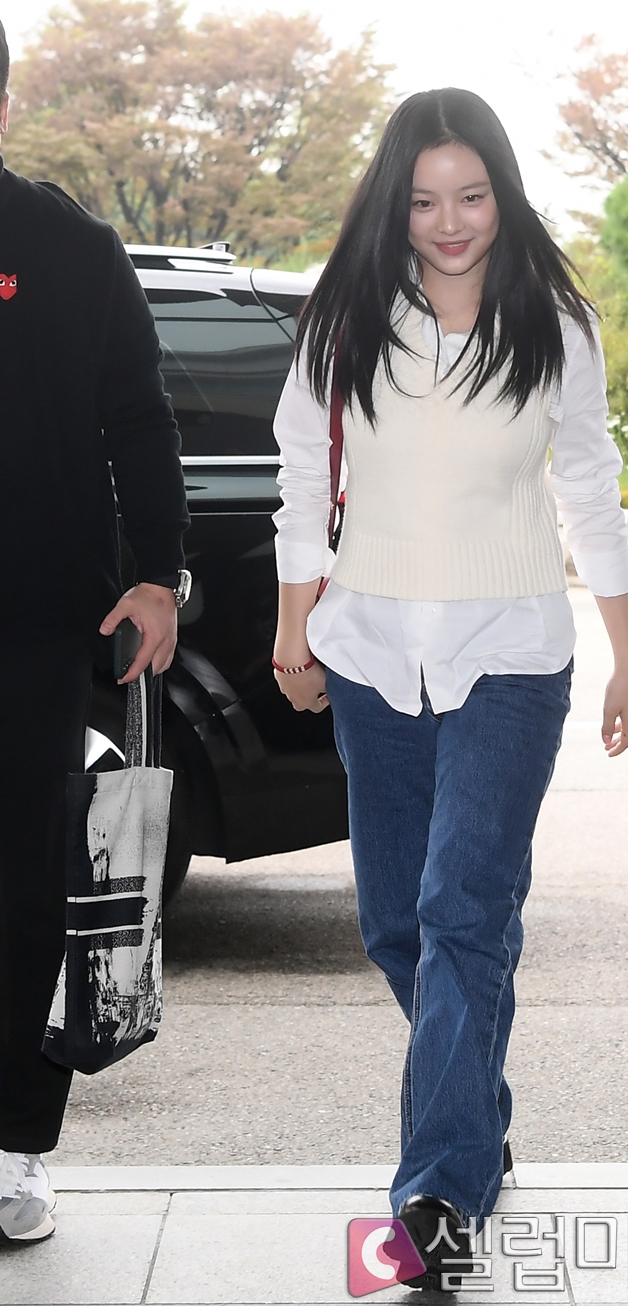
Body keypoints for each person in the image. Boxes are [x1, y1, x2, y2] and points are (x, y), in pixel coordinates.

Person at [272, 86, 628, 1289]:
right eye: (425, 200)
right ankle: (476, 1116)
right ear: (395, 202)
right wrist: (293, 627)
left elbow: (587, 483)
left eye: (471, 196)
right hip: (370, 653)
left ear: (502, 194)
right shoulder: (342, 318)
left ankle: (435, 1189)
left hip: (511, 653)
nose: (449, 222)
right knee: (397, 922)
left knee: (460, 911)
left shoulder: (556, 323)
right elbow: (302, 474)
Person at [0, 20, 190, 1242]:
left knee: (28, 891)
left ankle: (16, 1143)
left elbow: (140, 418)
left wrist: (159, 575)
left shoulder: (69, 246)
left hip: (34, 625)